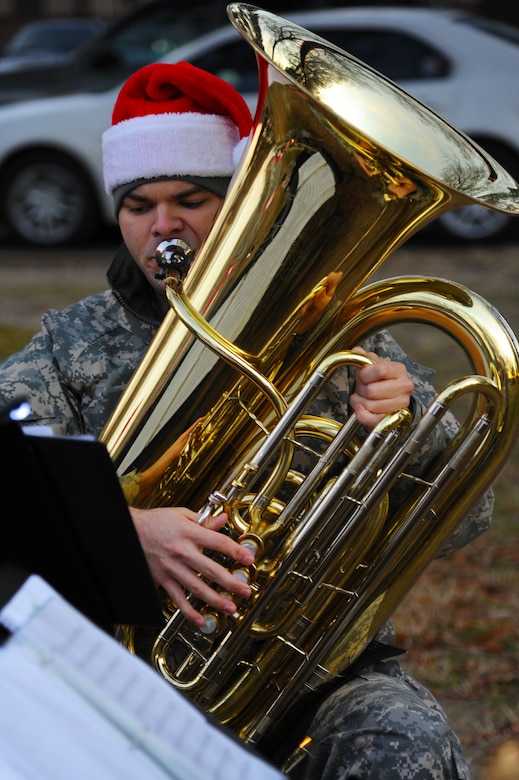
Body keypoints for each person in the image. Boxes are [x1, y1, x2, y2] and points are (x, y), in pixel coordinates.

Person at [0, 61, 493, 779]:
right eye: (138, 205)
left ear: (235, 208)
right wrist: (124, 531)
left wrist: (417, 423)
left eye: (188, 199)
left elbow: (465, 518)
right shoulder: (63, 352)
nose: (162, 225)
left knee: (403, 736)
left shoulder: (337, 334)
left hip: (311, 675)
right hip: (120, 676)